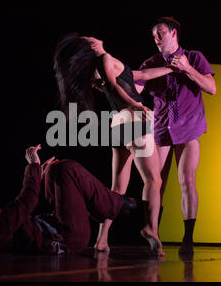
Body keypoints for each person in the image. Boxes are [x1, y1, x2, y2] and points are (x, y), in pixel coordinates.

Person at [54, 34, 175, 255]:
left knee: (117, 188)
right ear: (91, 45)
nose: (93, 35)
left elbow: (142, 75)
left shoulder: (100, 66)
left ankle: (101, 240)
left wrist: (173, 68)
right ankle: (150, 228)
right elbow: (112, 85)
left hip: (118, 124)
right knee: (153, 180)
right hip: (133, 119)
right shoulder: (105, 58)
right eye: (88, 37)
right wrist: (136, 105)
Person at [0, 145, 136, 254]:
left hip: (56, 227)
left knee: (55, 170)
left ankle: (115, 206)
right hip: (67, 238)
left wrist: (41, 173)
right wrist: (33, 168)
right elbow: (24, 204)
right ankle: (123, 207)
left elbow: (24, 212)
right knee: (66, 169)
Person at [135, 17, 217, 254]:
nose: (156, 38)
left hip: (188, 128)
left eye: (160, 33)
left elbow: (211, 88)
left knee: (187, 180)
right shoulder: (151, 63)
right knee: (154, 182)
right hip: (161, 129)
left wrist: (187, 69)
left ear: (173, 33)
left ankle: (188, 239)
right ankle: (153, 235)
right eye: (153, 35)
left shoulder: (194, 57)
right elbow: (136, 87)